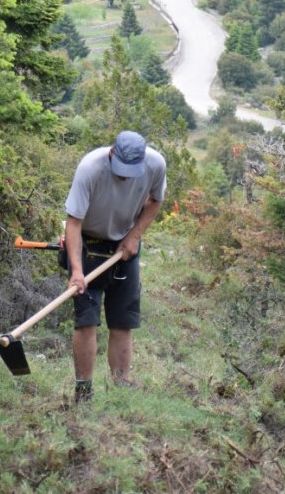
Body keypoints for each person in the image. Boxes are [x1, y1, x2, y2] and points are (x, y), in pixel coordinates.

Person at [62, 130, 166, 403]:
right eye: (121, 170)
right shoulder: (90, 168)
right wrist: (76, 271)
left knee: (122, 321)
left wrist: (134, 237)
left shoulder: (155, 164)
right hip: (87, 243)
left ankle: (121, 387)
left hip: (124, 247)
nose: (125, 176)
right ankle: (83, 391)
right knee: (87, 321)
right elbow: (73, 222)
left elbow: (156, 201)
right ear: (111, 154)